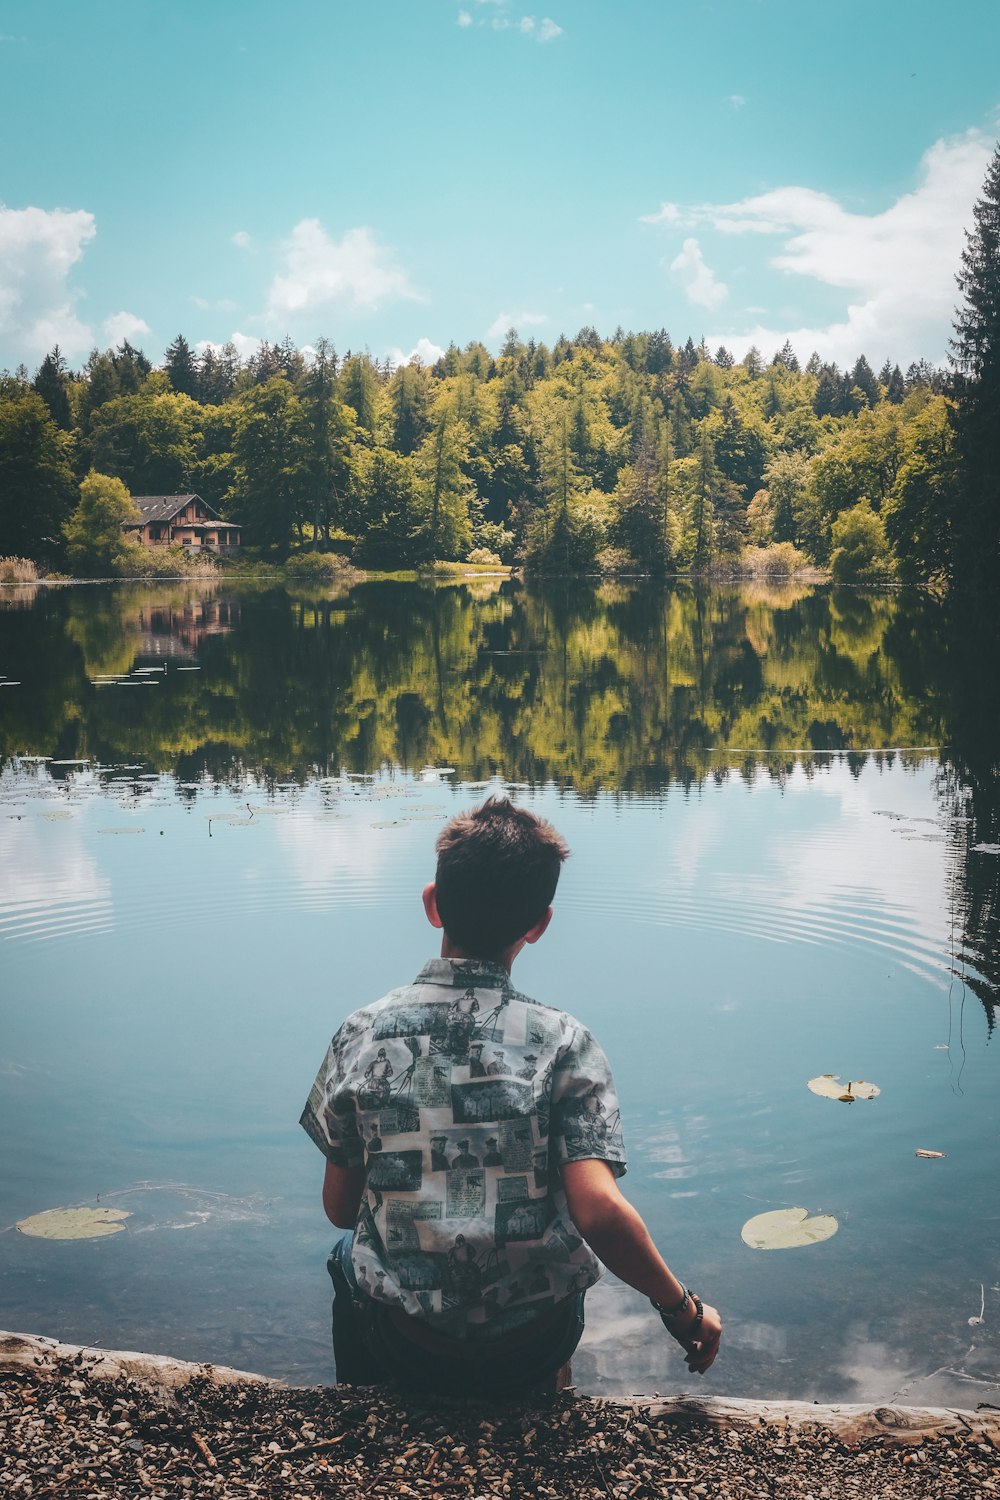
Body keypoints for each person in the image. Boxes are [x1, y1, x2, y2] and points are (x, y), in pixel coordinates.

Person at [300, 796, 722, 1396]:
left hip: (408, 1344)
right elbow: (598, 1212)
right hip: (531, 1346)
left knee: (350, 1252)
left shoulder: (359, 1032)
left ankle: (363, 1403)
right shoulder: (565, 1044)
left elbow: (340, 1209)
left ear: (432, 903)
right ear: (539, 924)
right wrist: (681, 1307)